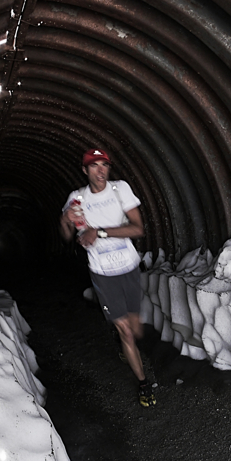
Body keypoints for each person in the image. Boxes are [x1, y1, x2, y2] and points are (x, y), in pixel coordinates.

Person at [60, 148, 155, 407]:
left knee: (135, 328)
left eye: (104, 164)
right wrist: (65, 219)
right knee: (127, 332)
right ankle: (144, 384)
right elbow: (67, 236)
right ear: (85, 170)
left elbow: (137, 228)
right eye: (94, 165)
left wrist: (99, 232)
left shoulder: (119, 189)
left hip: (129, 267)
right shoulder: (77, 198)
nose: (101, 170)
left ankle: (121, 337)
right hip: (103, 272)